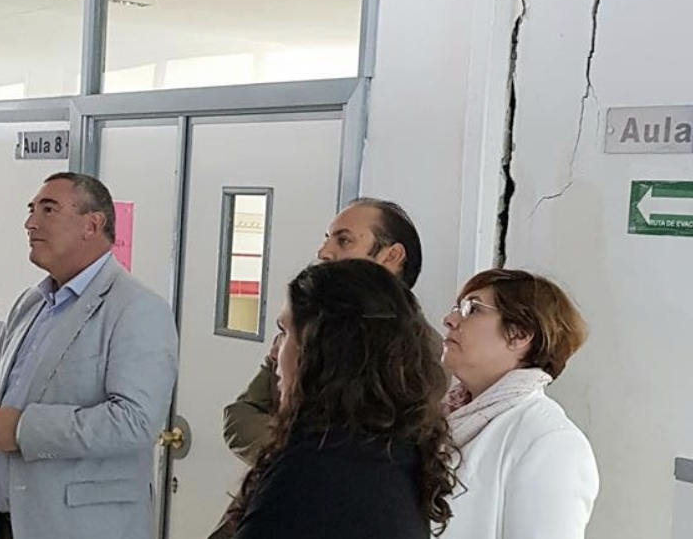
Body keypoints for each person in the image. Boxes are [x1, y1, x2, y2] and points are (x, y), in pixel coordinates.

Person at [0, 171, 178, 539]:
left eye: (48, 209)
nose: (30, 223)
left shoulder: (136, 309)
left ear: (92, 224)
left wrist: (23, 429)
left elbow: (135, 422)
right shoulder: (32, 303)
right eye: (31, 210)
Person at [228, 259, 455, 538]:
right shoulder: (396, 454)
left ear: (326, 350)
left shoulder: (313, 474)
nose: (275, 353)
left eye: (285, 332)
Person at [222, 198, 423, 465]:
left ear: (392, 256)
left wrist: (319, 457)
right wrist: (301, 458)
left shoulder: (424, 353)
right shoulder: (307, 329)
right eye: (327, 239)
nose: (323, 253)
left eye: (344, 241)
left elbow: (393, 451)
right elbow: (241, 415)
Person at [441, 268, 599, 539]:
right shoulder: (442, 418)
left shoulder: (551, 442)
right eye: (457, 307)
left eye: (472, 309)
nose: (450, 319)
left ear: (520, 334)